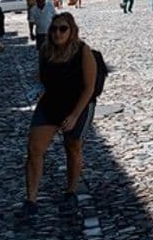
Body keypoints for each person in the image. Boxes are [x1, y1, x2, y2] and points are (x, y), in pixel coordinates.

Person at [22, 12, 97, 218]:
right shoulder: (45, 51)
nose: (57, 33)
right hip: (51, 104)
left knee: (72, 146)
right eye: (54, 29)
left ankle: (71, 191)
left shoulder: (83, 51)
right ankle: (31, 201)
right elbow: (43, 79)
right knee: (34, 149)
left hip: (78, 105)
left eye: (63, 28)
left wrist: (74, 115)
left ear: (72, 31)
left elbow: (89, 87)